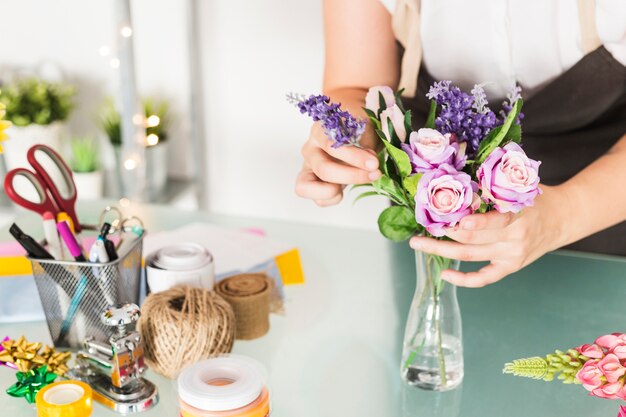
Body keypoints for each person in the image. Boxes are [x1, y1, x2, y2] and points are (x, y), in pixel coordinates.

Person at [295, 0, 626, 287]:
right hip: (440, 235)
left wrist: (561, 217)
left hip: (603, 211)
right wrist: (343, 136)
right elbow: (356, 86)